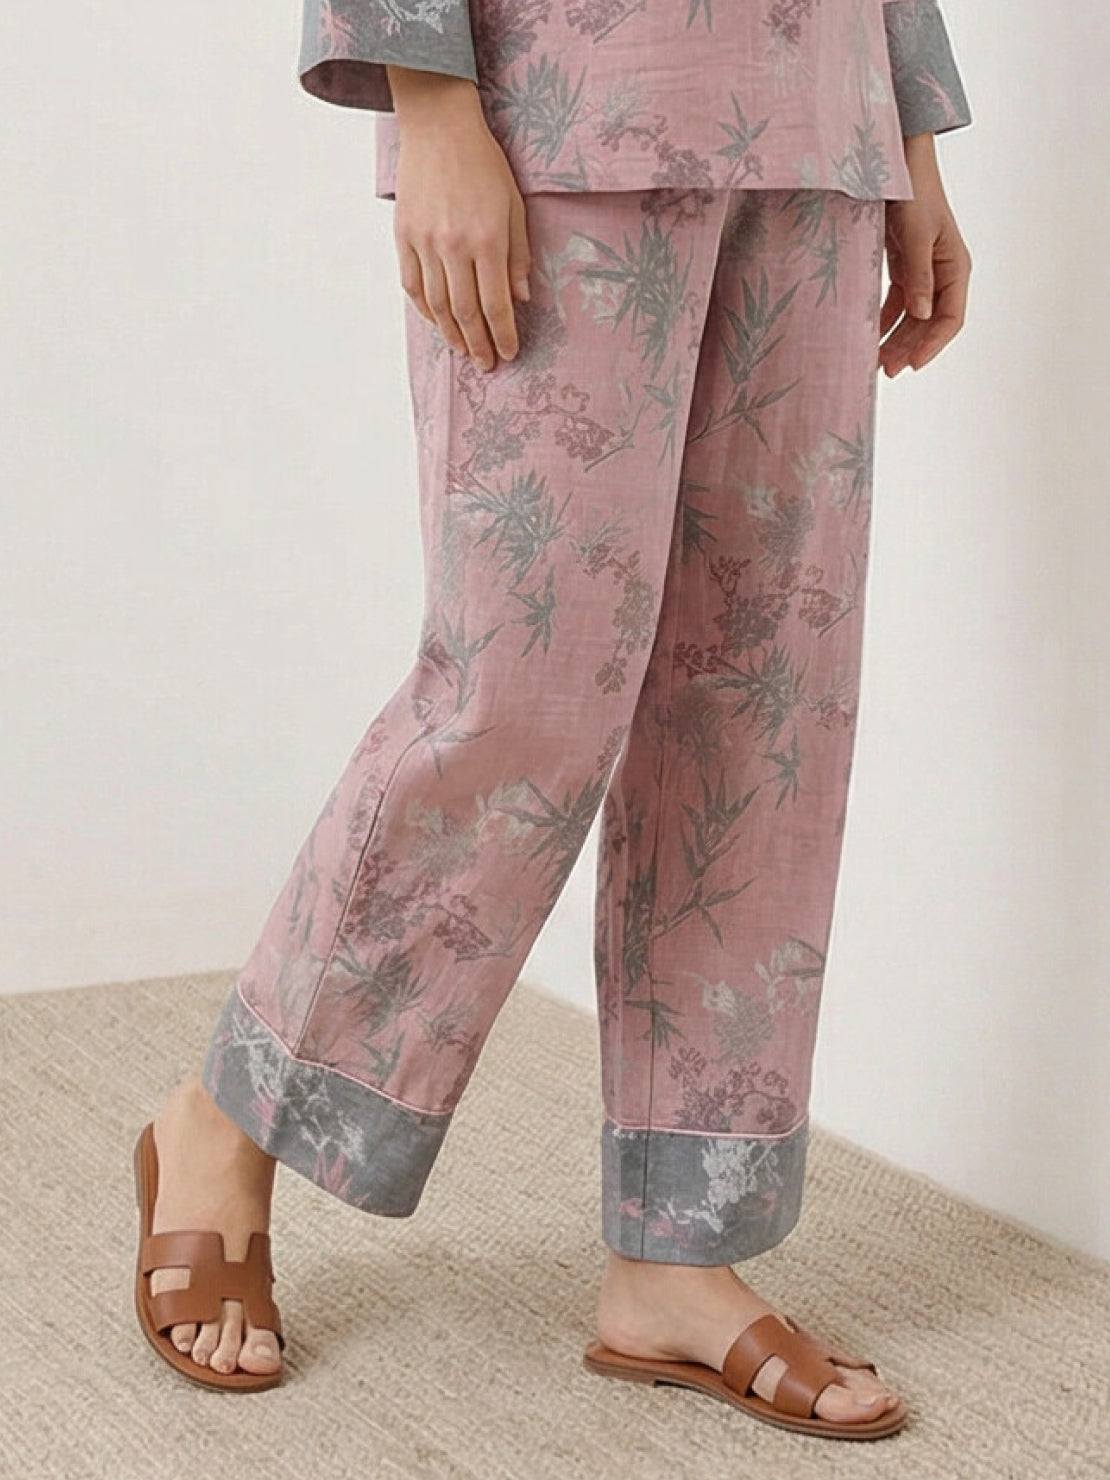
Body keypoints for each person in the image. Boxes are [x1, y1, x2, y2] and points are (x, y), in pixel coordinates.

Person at [132, 0, 972, 1437]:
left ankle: (675, 1252)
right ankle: (228, 1115)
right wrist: (432, 105)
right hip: (562, 106)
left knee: (759, 708)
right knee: (520, 692)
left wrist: (908, 137)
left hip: (821, 130)